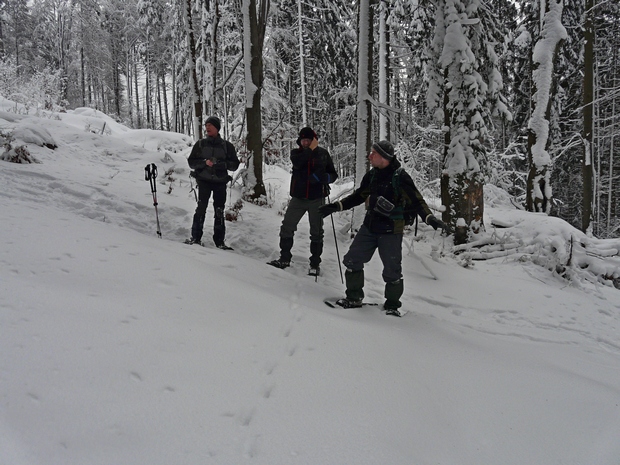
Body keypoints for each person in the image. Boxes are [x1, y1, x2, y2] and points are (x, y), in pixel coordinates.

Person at [319, 140, 446, 314]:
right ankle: (354, 298)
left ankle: (392, 306)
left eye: (374, 153)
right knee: (352, 260)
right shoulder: (372, 175)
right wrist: (335, 207)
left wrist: (430, 218)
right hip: (369, 227)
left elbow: (417, 201)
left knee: (392, 271)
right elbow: (358, 196)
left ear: (384, 158)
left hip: (391, 231)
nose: (370, 156)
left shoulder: (400, 177)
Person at [268, 127, 338, 276]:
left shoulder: (323, 154)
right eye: (303, 140)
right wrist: (311, 150)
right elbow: (299, 163)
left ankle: (315, 264)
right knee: (287, 226)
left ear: (314, 140)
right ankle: (284, 258)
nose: (305, 142)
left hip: (317, 198)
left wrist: (325, 178)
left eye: (308, 140)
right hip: (298, 198)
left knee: (317, 232)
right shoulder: (297, 153)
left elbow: (333, 174)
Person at [185, 116, 240, 249]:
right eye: (206, 125)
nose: (207, 127)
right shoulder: (200, 144)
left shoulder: (227, 146)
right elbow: (191, 162)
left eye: (210, 125)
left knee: (219, 211)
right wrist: (204, 163)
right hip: (204, 181)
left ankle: (220, 242)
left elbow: (234, 165)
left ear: (217, 128)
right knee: (201, 209)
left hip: (220, 183)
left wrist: (221, 164)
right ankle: (195, 238)